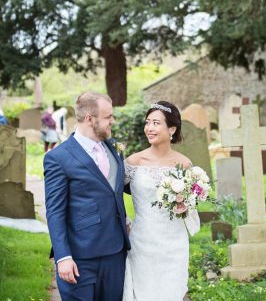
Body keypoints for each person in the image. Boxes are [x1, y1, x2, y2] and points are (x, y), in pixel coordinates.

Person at [44, 92, 130, 301]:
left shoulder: (114, 148)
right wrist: (63, 257)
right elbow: (55, 211)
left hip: (115, 253)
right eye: (108, 116)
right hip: (80, 257)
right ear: (90, 119)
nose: (113, 121)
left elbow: (119, 188)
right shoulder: (58, 158)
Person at [123, 101, 199, 301]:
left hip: (174, 243)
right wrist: (125, 221)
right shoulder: (133, 162)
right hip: (142, 241)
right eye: (148, 122)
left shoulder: (184, 164)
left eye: (156, 123)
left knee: (172, 291)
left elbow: (190, 205)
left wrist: (185, 204)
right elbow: (111, 197)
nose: (149, 128)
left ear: (171, 129)